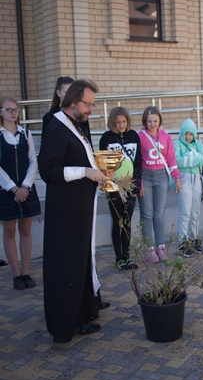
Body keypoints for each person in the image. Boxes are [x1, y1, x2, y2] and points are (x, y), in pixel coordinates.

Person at [38, 79, 107, 343]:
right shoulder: (56, 126)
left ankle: (80, 317)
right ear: (73, 101)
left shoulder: (76, 126)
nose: (91, 108)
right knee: (66, 267)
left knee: (79, 265)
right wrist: (85, 172)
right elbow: (48, 170)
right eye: (88, 104)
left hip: (80, 210)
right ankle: (65, 325)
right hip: (65, 214)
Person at [0, 97, 41, 290]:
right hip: (7, 191)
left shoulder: (26, 133)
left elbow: (33, 160)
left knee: (26, 231)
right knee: (9, 232)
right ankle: (16, 274)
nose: (13, 113)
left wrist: (25, 186)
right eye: (8, 110)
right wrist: (13, 188)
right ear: (1, 112)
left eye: (15, 110)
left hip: (26, 190)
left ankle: (26, 272)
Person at [99, 107, 142, 270]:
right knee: (117, 220)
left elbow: (138, 161)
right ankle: (119, 258)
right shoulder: (106, 138)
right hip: (113, 186)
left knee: (127, 221)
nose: (121, 125)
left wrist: (136, 185)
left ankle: (127, 256)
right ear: (112, 122)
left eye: (124, 122)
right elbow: (102, 162)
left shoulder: (134, 136)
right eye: (118, 122)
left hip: (129, 185)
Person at [138, 106, 181, 263]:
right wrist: (139, 182)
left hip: (161, 176)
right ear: (145, 121)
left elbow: (171, 158)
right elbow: (136, 161)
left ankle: (160, 247)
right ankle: (149, 249)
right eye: (149, 121)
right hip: (146, 176)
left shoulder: (165, 137)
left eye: (155, 121)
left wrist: (177, 178)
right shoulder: (140, 136)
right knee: (147, 214)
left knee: (159, 213)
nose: (152, 124)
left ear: (159, 121)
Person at [173, 118, 203, 257]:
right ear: (182, 133)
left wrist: (187, 157)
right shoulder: (176, 144)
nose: (188, 137)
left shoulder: (198, 144)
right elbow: (176, 161)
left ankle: (193, 238)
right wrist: (194, 157)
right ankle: (182, 242)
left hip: (197, 179)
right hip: (184, 178)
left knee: (195, 211)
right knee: (185, 212)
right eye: (186, 134)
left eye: (191, 134)